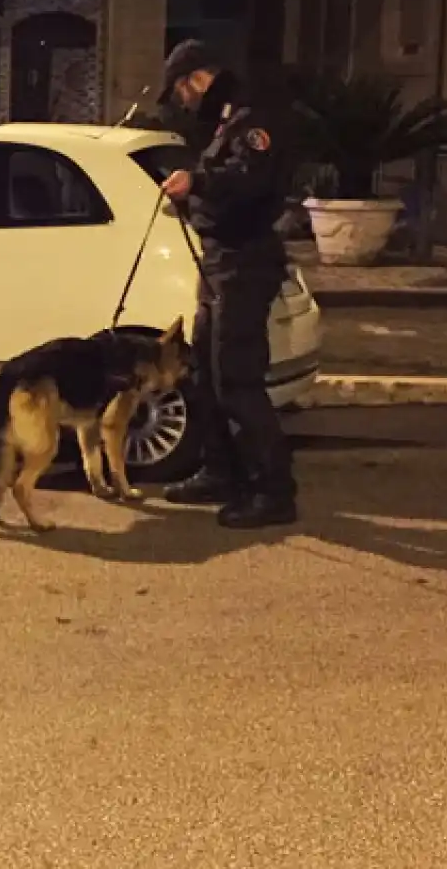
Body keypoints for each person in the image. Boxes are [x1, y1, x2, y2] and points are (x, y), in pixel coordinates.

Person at [153, 40, 299, 529]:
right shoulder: (226, 121)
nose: (183, 103)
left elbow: (248, 181)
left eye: (180, 91)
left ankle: (273, 491)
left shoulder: (253, 120)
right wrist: (192, 199)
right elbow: (222, 184)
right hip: (220, 262)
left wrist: (197, 184)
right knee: (207, 375)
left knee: (238, 379)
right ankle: (220, 472)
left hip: (244, 262)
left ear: (197, 77)